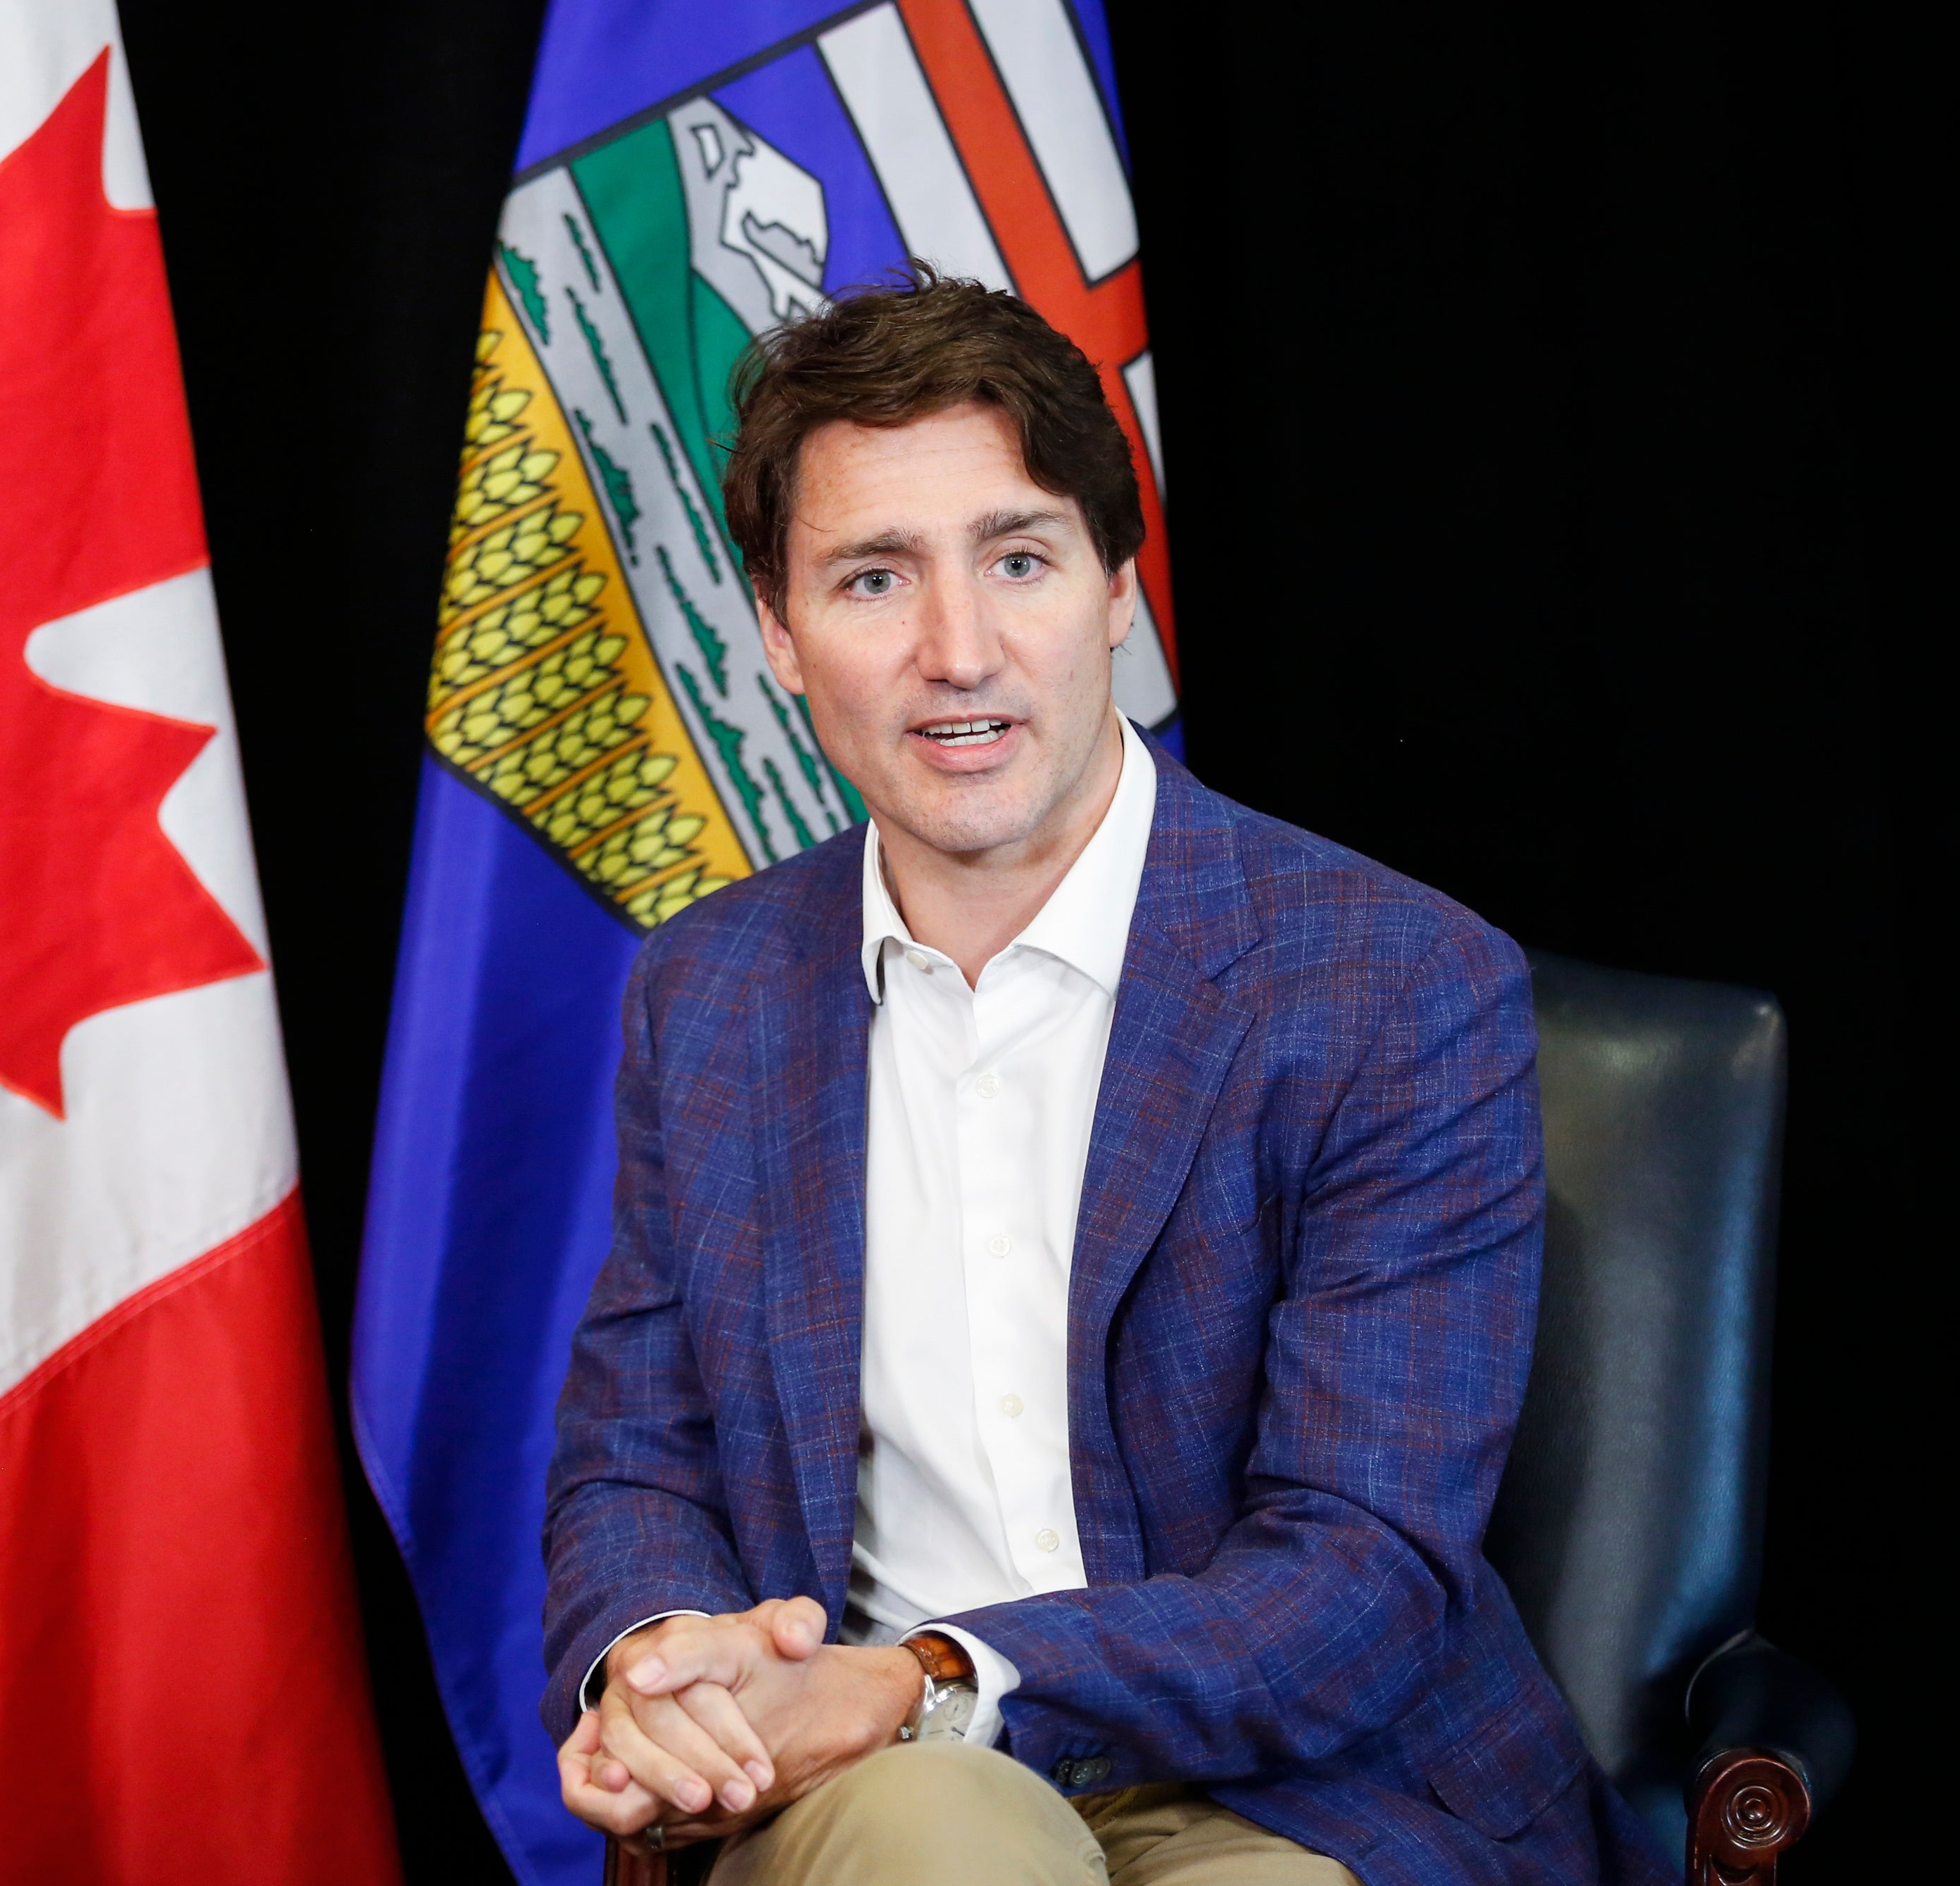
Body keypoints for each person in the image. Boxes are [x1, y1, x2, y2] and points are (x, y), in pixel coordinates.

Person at [540, 269, 1670, 1885]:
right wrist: (663, 1670)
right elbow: (634, 1453)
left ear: (1118, 585)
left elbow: (1357, 1569)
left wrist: (924, 1678)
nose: (958, 650)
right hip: (882, 1806)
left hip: (1306, 1786)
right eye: (872, 579)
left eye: (1016, 559)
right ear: (779, 634)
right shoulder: (708, 990)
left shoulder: (1391, 982)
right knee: (942, 1847)